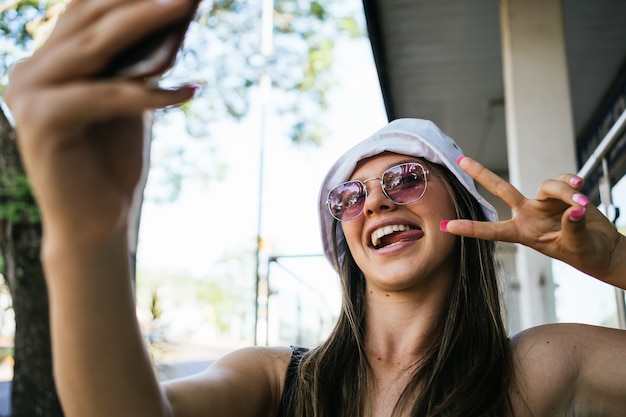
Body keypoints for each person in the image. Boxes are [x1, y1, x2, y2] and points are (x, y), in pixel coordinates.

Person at [4, 0, 626, 416]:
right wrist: (89, 237)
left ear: (464, 209)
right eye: (348, 197)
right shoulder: (274, 381)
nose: (375, 200)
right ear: (344, 239)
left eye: (406, 178)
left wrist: (617, 259)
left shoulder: (543, 364)